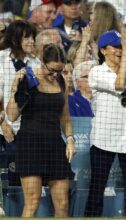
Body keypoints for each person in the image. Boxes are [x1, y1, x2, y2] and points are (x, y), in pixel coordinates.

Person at [6, 44, 75, 217]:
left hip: (55, 146)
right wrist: (15, 85)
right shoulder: (27, 79)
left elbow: (64, 115)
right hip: (30, 146)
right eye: (51, 70)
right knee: (33, 201)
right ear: (42, 62)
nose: (55, 75)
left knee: (63, 203)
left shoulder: (61, 81)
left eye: (60, 70)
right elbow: (12, 115)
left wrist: (70, 138)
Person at [84, 28, 126, 217]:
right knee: (98, 187)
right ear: (103, 50)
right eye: (116, 47)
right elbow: (119, 85)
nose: (120, 50)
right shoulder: (96, 72)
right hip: (105, 139)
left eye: (122, 47)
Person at [0, 20, 40, 186]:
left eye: (33, 37)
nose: (31, 41)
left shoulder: (36, 62)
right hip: (8, 132)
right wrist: (3, 124)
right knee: (12, 182)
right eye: (27, 37)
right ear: (16, 39)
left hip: (32, 131)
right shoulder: (1, 61)